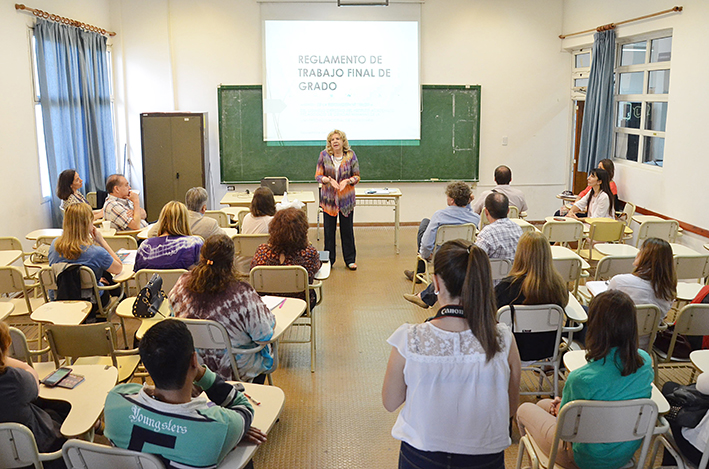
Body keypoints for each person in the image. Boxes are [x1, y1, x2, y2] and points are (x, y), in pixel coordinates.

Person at [383, 240, 521, 469]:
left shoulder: (410, 338)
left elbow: (390, 402)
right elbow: (511, 408)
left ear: (436, 282)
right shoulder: (502, 339)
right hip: (485, 457)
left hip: (421, 455)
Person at [516, 290, 654, 469]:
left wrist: (562, 408)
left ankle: (539, 462)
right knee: (543, 405)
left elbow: (566, 430)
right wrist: (562, 407)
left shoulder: (581, 379)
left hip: (583, 458)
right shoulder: (644, 362)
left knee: (524, 409)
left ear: (595, 327)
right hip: (624, 451)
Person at [104, 319, 267, 468]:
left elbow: (140, 395)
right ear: (194, 361)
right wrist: (203, 375)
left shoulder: (115, 400)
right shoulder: (219, 426)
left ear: (146, 367)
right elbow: (243, 407)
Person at [170, 234, 276, 383]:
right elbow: (263, 334)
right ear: (232, 261)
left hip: (196, 364)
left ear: (202, 256)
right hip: (236, 368)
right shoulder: (241, 293)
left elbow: (172, 313)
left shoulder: (182, 284)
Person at [406, 192, 523, 309]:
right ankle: (425, 297)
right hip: (513, 287)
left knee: (454, 266)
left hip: (487, 288)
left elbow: (472, 258)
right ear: (508, 211)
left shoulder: (488, 233)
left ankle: (426, 297)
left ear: (486, 212)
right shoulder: (518, 229)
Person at [0, 322, 69, 468]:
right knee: (57, 407)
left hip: (4, 458)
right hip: (38, 454)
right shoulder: (14, 380)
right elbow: (31, 376)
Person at [48, 203, 123, 311]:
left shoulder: (54, 245)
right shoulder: (96, 252)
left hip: (58, 299)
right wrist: (101, 241)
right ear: (87, 223)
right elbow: (119, 268)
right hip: (91, 302)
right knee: (105, 274)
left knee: (100, 273)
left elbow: (67, 271)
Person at [608, 237, 677, 350]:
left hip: (611, 344)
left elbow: (603, 311)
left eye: (641, 250)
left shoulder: (620, 281)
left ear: (645, 257)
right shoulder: (669, 291)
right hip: (644, 347)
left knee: (581, 314)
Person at [403, 181, 479, 283]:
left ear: (452, 200)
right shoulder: (474, 219)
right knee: (427, 223)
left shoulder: (440, 216)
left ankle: (418, 271)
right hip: (463, 254)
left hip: (441, 256)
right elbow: (468, 212)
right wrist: (468, 203)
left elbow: (426, 242)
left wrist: (425, 255)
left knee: (425, 223)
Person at [251, 207, 321, 309]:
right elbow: (316, 267)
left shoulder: (262, 252)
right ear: (303, 231)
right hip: (300, 304)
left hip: (267, 305)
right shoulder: (309, 254)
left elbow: (252, 272)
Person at [315, 129, 360, 270]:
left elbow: (357, 176)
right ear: (330, 143)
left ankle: (350, 260)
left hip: (346, 200)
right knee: (329, 231)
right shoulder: (324, 155)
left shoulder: (351, 156)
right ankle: (329, 260)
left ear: (343, 142)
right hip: (329, 201)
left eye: (338, 139)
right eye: (332, 139)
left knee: (347, 230)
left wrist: (347, 181)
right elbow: (318, 175)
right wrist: (327, 180)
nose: (335, 141)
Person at [134, 201, 203, 272]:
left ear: (161, 220)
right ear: (185, 221)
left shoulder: (145, 246)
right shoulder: (195, 243)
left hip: (152, 283)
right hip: (185, 283)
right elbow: (203, 273)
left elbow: (138, 274)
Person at [147, 187, 225, 240]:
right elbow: (224, 238)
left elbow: (151, 235)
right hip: (199, 262)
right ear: (203, 208)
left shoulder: (171, 220)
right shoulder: (210, 224)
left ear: (186, 204)